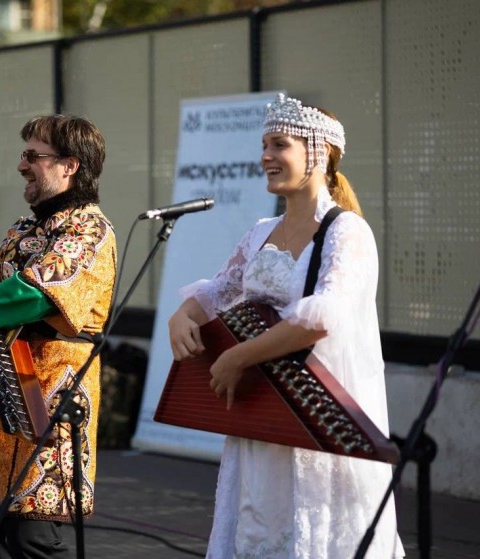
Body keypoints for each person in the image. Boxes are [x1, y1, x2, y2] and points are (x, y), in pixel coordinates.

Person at [168, 93, 405, 558]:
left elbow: (324, 316)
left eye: (279, 145)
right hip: (263, 415)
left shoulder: (347, 231)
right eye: (264, 145)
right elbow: (219, 290)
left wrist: (239, 355)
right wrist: (183, 315)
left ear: (318, 153)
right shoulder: (259, 232)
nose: (266, 157)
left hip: (315, 422)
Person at [0, 114, 116, 558]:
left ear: (69, 165)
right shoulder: (25, 229)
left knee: (32, 536)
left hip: (49, 396)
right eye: (23, 154)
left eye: (33, 155)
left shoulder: (88, 229)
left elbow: (29, 295)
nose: (21, 165)